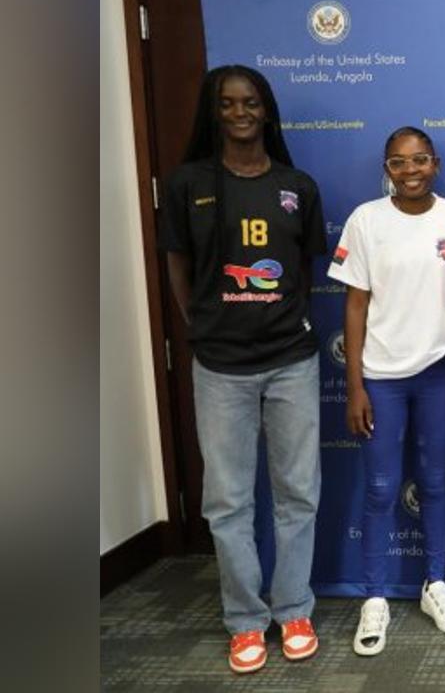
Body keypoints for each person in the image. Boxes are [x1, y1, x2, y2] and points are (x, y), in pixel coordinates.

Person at [159, 65, 326, 674]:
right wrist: (202, 328)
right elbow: (178, 266)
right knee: (227, 500)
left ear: (266, 110)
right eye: (227, 103)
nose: (239, 113)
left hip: (291, 361)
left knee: (297, 493)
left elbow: (303, 271)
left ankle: (294, 609)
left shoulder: (296, 186)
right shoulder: (187, 184)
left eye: (250, 102)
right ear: (213, 111)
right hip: (220, 365)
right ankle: (246, 619)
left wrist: (279, 319)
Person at [328, 126, 445, 656]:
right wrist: (354, 386)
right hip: (381, 378)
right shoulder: (366, 220)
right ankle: (374, 597)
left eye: (419, 160)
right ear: (386, 169)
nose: (410, 171)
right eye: (398, 162)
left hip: (437, 374)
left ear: (435, 164)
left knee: (435, 483)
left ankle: (436, 583)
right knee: (381, 489)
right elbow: (355, 306)